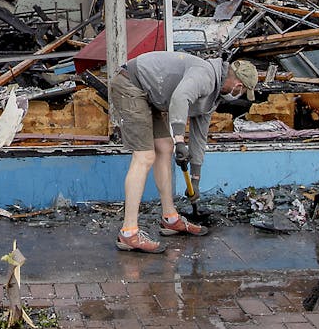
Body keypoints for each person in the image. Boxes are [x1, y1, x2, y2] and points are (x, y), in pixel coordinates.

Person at [107, 52, 257, 253]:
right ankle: (128, 232)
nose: (238, 94)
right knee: (145, 156)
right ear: (238, 85)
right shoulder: (205, 75)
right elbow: (180, 97)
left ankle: (170, 218)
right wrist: (179, 140)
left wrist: (195, 178)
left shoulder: (212, 98)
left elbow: (199, 138)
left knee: (164, 147)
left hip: (150, 94)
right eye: (242, 90)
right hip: (130, 84)